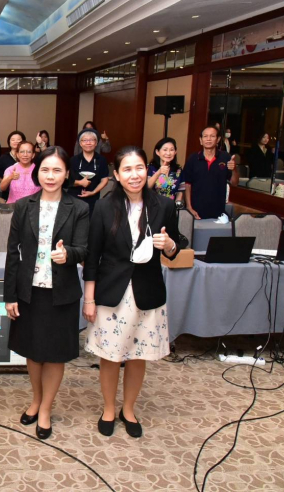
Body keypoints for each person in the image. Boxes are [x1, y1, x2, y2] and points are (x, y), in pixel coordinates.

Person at [83, 146, 180, 438]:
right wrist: (89, 297)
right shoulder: (104, 206)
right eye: (127, 169)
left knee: (138, 355)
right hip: (112, 291)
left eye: (139, 168)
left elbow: (175, 247)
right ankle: (109, 409)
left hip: (147, 291)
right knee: (111, 355)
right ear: (116, 174)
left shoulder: (163, 205)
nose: (134, 174)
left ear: (146, 170)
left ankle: (129, 408)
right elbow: (92, 255)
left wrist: (170, 246)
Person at [5, 146, 89, 440]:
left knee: (54, 355)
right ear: (36, 172)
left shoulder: (78, 208)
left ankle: (45, 408)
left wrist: (70, 255)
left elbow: (84, 248)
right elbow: (13, 254)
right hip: (29, 292)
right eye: (45, 169)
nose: (50, 176)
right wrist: (10, 296)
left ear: (67, 173)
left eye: (57, 170)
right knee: (32, 351)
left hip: (61, 293)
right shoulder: (24, 205)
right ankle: (36, 399)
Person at [183, 125, 239, 220]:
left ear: (218, 139)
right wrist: (189, 207)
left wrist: (234, 169)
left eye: (212, 136)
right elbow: (187, 185)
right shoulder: (193, 159)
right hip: (196, 211)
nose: (208, 139)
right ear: (200, 140)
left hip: (218, 212)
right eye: (205, 136)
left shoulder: (225, 157)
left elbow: (234, 183)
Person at [68, 129, 110, 215]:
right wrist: (80, 183)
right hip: (74, 199)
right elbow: (66, 180)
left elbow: (104, 180)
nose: (88, 143)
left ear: (96, 143)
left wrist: (93, 192)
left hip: (93, 199)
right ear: (80, 143)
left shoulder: (101, 160)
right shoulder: (73, 160)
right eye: (85, 140)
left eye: (91, 140)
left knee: (91, 224)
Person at [147, 137, 183, 201]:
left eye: (171, 150)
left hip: (171, 206)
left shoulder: (178, 170)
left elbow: (180, 190)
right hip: (153, 205)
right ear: (157, 152)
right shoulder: (150, 168)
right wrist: (158, 172)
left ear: (175, 152)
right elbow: (147, 187)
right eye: (165, 150)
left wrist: (177, 205)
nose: (168, 153)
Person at [0, 131, 26, 200]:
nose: (16, 141)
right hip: (8, 193)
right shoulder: (3, 158)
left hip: (25, 194)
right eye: (13, 140)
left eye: (18, 139)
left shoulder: (26, 157)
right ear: (9, 142)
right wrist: (6, 184)